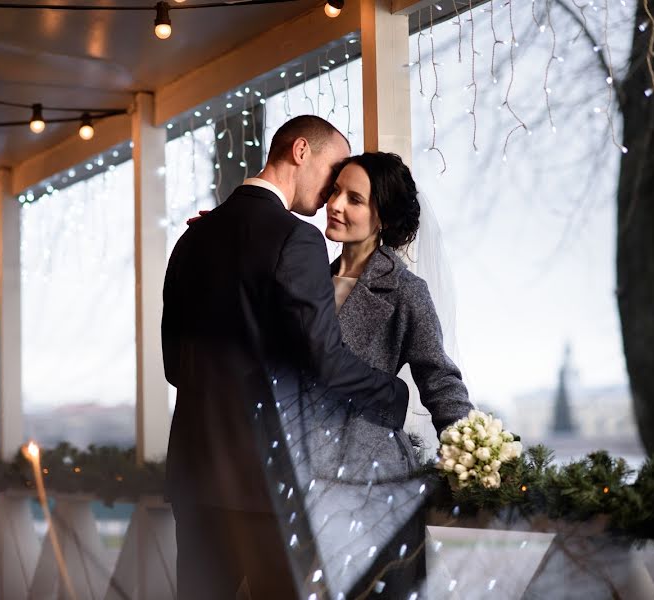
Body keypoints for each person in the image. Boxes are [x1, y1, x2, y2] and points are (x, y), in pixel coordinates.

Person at [161, 116, 410, 600]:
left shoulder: (192, 238)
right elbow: (326, 361)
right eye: (333, 170)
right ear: (300, 152)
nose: (331, 193)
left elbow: (175, 366)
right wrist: (396, 395)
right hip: (267, 486)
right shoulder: (297, 239)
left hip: (194, 478)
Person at [281, 151, 474, 598]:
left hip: (375, 485)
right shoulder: (307, 281)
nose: (335, 205)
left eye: (355, 199)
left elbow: (440, 380)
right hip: (303, 481)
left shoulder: (407, 291)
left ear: (382, 217)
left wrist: (474, 454)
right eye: (334, 191)